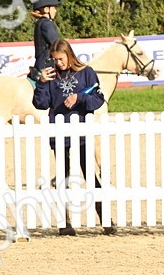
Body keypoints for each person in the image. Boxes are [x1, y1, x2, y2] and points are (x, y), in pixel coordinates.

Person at [32, 39, 115, 236]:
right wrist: (41, 83)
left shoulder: (86, 73)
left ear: (69, 55)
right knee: (63, 178)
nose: (58, 63)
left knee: (90, 176)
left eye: (61, 59)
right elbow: (40, 104)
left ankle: (105, 220)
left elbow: (98, 99)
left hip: (82, 134)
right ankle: (65, 223)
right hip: (60, 135)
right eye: (55, 59)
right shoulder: (51, 76)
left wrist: (79, 98)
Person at [27, 0, 62, 86]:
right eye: (54, 8)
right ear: (46, 9)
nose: (55, 11)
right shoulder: (47, 24)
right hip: (47, 68)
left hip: (39, 65)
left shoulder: (40, 23)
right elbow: (58, 45)